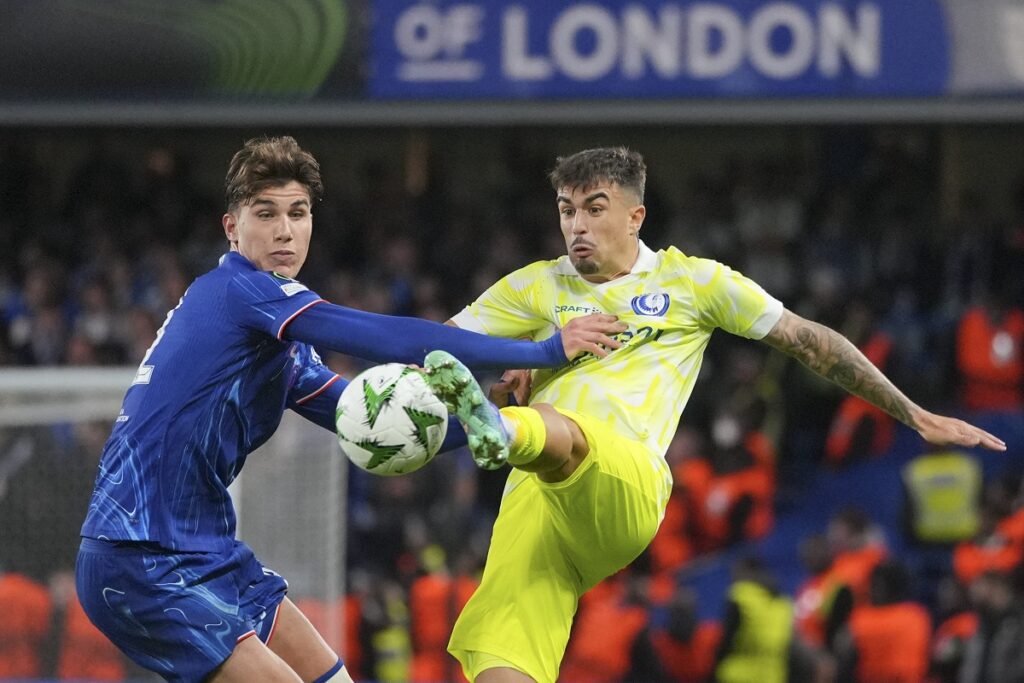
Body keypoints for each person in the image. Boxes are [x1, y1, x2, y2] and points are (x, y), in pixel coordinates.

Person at [431, 146, 1006, 683]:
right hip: (533, 501)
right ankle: (499, 427)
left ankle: (500, 427)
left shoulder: (691, 281)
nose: (577, 225)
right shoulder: (535, 286)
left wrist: (912, 413)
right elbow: (435, 347)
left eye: (594, 208)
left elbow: (807, 341)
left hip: (624, 479)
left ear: (636, 217)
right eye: (566, 210)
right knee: (502, 651)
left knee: (559, 424)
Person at [75, 136, 623, 683]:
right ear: (231, 227)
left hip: (207, 552)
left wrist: (487, 417)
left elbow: (379, 426)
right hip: (138, 556)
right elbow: (386, 337)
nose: (285, 230)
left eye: (298, 213)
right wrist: (544, 349)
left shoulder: (281, 349)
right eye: (265, 214)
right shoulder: (238, 292)